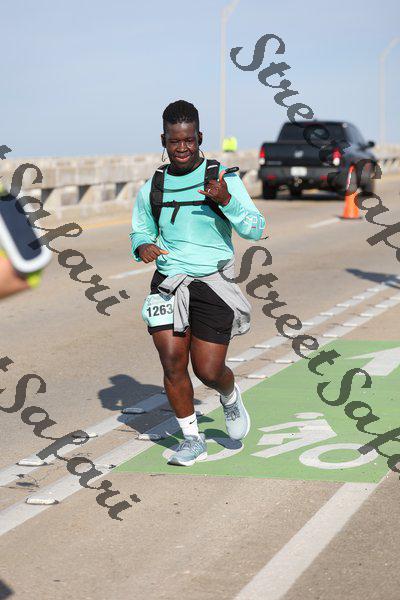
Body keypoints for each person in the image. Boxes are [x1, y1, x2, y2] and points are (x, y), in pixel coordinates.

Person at [130, 100, 266, 466]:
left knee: (207, 370)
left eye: (188, 140)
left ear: (199, 137)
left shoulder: (221, 178)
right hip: (169, 281)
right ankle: (192, 438)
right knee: (172, 362)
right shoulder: (154, 185)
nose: (182, 148)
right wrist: (141, 245)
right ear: (164, 140)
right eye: (174, 141)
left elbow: (255, 228)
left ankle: (229, 394)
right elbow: (140, 228)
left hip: (213, 282)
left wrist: (227, 202)